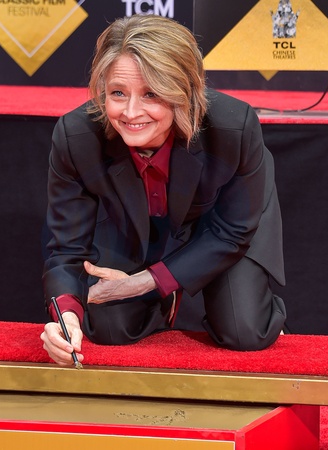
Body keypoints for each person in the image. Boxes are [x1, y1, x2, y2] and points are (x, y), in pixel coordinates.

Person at [40, 14, 286, 366]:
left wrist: (142, 282)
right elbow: (66, 247)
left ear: (184, 92)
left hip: (219, 225)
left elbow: (232, 232)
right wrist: (65, 317)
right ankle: (162, 300)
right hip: (136, 223)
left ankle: (250, 304)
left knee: (244, 330)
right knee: (108, 328)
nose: (131, 112)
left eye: (151, 93)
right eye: (117, 93)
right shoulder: (75, 137)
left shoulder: (234, 127)